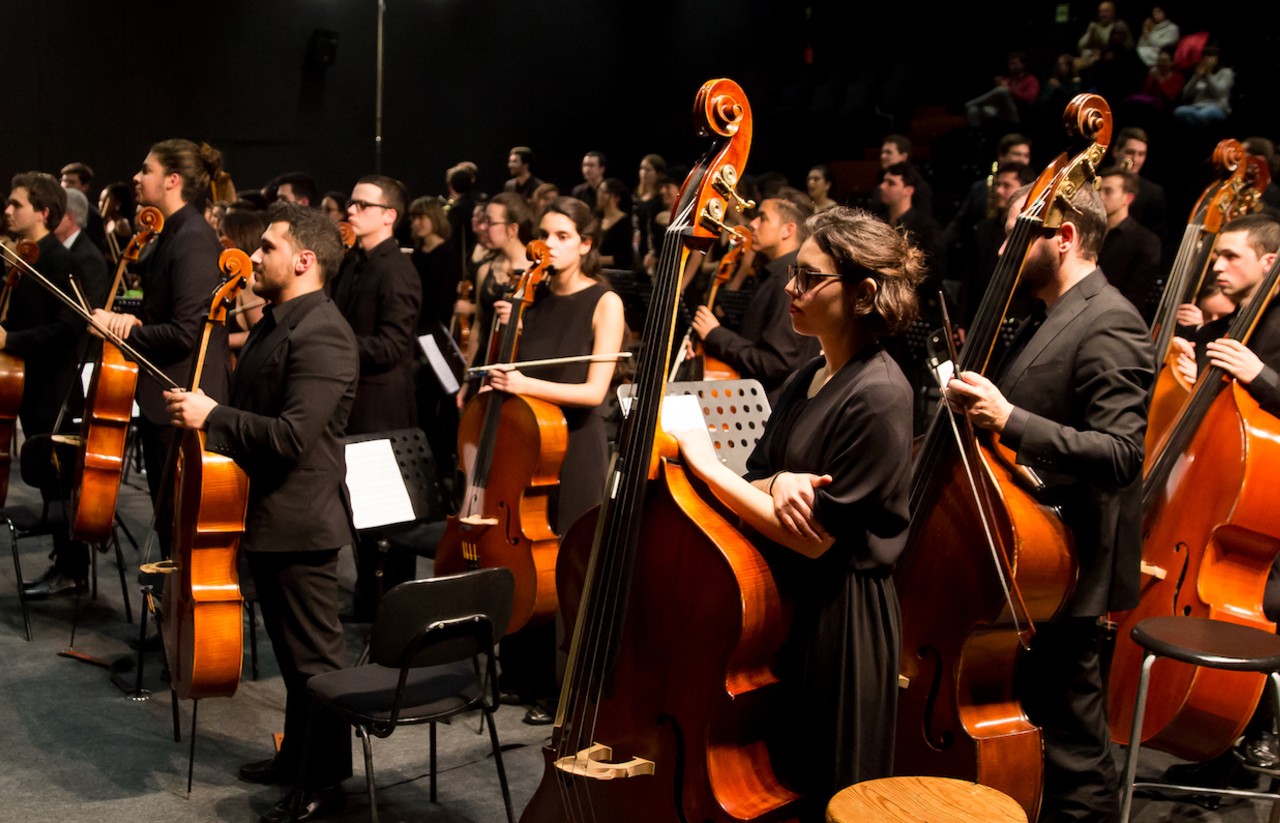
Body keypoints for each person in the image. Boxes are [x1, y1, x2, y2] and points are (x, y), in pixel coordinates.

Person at [672, 206, 921, 818]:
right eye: (794, 274)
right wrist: (779, 480)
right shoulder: (810, 372)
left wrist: (706, 464)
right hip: (786, 604)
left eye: (809, 278)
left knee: (824, 791)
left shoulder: (881, 394)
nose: (791, 287)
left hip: (840, 622)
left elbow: (815, 538)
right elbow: (758, 476)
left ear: (863, 294)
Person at [946, 182, 1154, 822]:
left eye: (1017, 235)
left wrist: (1008, 418)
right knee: (1044, 730)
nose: (1002, 250)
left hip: (1069, 565)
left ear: (1064, 237)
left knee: (1073, 753)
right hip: (1034, 557)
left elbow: (1122, 453)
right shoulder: (1052, 313)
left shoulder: (1111, 319)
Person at [164, 202, 358, 823]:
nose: (254, 256)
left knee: (315, 663)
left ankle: (325, 781)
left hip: (301, 524)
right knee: (293, 659)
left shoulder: (323, 332)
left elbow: (293, 436)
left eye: (268, 246)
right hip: (269, 515)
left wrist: (213, 416)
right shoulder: (278, 320)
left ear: (304, 260)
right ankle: (296, 757)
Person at [485, 196, 625, 723]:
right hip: (529, 447)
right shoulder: (532, 296)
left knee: (568, 566)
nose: (549, 244)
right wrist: (508, 327)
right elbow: (509, 371)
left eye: (563, 236)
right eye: (544, 233)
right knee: (526, 558)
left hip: (577, 448)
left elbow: (594, 392)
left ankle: (564, 690)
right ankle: (520, 671)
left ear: (586, 244)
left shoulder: (605, 301)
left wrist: (523, 383)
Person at [1166, 214, 1280, 776]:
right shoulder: (1232, 322)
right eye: (1218, 254)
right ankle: (1210, 736)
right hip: (1229, 497)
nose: (1217, 265)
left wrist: (1263, 376)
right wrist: (1187, 374)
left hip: (1270, 509)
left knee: (1258, 604)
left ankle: (1258, 725)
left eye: (1232, 255)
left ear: (1270, 262)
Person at [91, 139, 232, 557]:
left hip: (182, 400)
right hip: (167, 399)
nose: (136, 178)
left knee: (178, 529)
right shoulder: (173, 234)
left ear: (172, 180)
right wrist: (126, 316)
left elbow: (185, 331)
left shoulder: (191, 239)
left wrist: (123, 332)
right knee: (169, 524)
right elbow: (160, 310)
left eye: (146, 170)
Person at [328, 174, 422, 619]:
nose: (351, 210)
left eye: (362, 205)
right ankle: (370, 597)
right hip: (357, 401)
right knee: (361, 511)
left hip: (382, 407)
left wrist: (334, 343)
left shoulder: (396, 270)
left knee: (385, 516)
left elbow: (391, 347)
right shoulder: (355, 261)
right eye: (351, 202)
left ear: (389, 216)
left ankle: (390, 605)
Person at [3, 173, 91, 597]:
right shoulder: (30, 257)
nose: (7, 211)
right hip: (32, 388)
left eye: (16, 204)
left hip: (54, 392)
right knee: (49, 484)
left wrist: (9, 341)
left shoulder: (59, 261)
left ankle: (72, 571)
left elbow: (68, 327)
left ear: (43, 212)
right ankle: (65, 564)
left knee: (60, 486)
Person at [691, 189, 821, 405]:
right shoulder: (774, 274)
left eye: (763, 218)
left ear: (788, 230)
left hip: (770, 408)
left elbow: (776, 362)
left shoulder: (787, 281)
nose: (752, 224)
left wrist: (715, 335)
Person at [1097, 166, 1162, 320]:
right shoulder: (1090, 231)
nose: (1099, 196)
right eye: (1098, 190)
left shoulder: (1146, 241)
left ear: (1128, 199)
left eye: (1108, 191)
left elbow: (1133, 297)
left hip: (1111, 318)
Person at [219, 209, 268, 352]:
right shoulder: (230, 277)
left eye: (221, 234)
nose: (217, 240)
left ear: (237, 237)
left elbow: (259, 334)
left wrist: (216, 340)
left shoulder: (249, 281)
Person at [965, 51, 1041, 127]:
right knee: (973, 110)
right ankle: (977, 133)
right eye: (1010, 64)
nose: (1012, 67)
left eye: (1015, 64)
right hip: (1002, 112)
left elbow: (1030, 97)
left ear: (1023, 65)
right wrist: (998, 84)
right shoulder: (1010, 80)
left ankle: (971, 103)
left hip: (1019, 112)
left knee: (1002, 91)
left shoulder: (1031, 80)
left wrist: (1009, 90)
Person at [1174, 45, 1234, 126]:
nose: (1206, 59)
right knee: (1179, 111)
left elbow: (1218, 93)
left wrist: (1208, 75)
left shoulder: (1226, 72)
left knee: (1202, 115)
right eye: (1204, 56)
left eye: (1210, 56)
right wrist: (1196, 77)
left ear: (1217, 59)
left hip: (1217, 107)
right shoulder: (1200, 73)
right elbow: (1186, 93)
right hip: (1197, 107)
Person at [595, 177, 633, 270]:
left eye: (604, 192)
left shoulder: (624, 222)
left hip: (616, 273)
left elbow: (625, 257)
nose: (599, 195)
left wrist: (597, 260)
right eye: (599, 191)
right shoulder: (597, 219)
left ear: (617, 198)